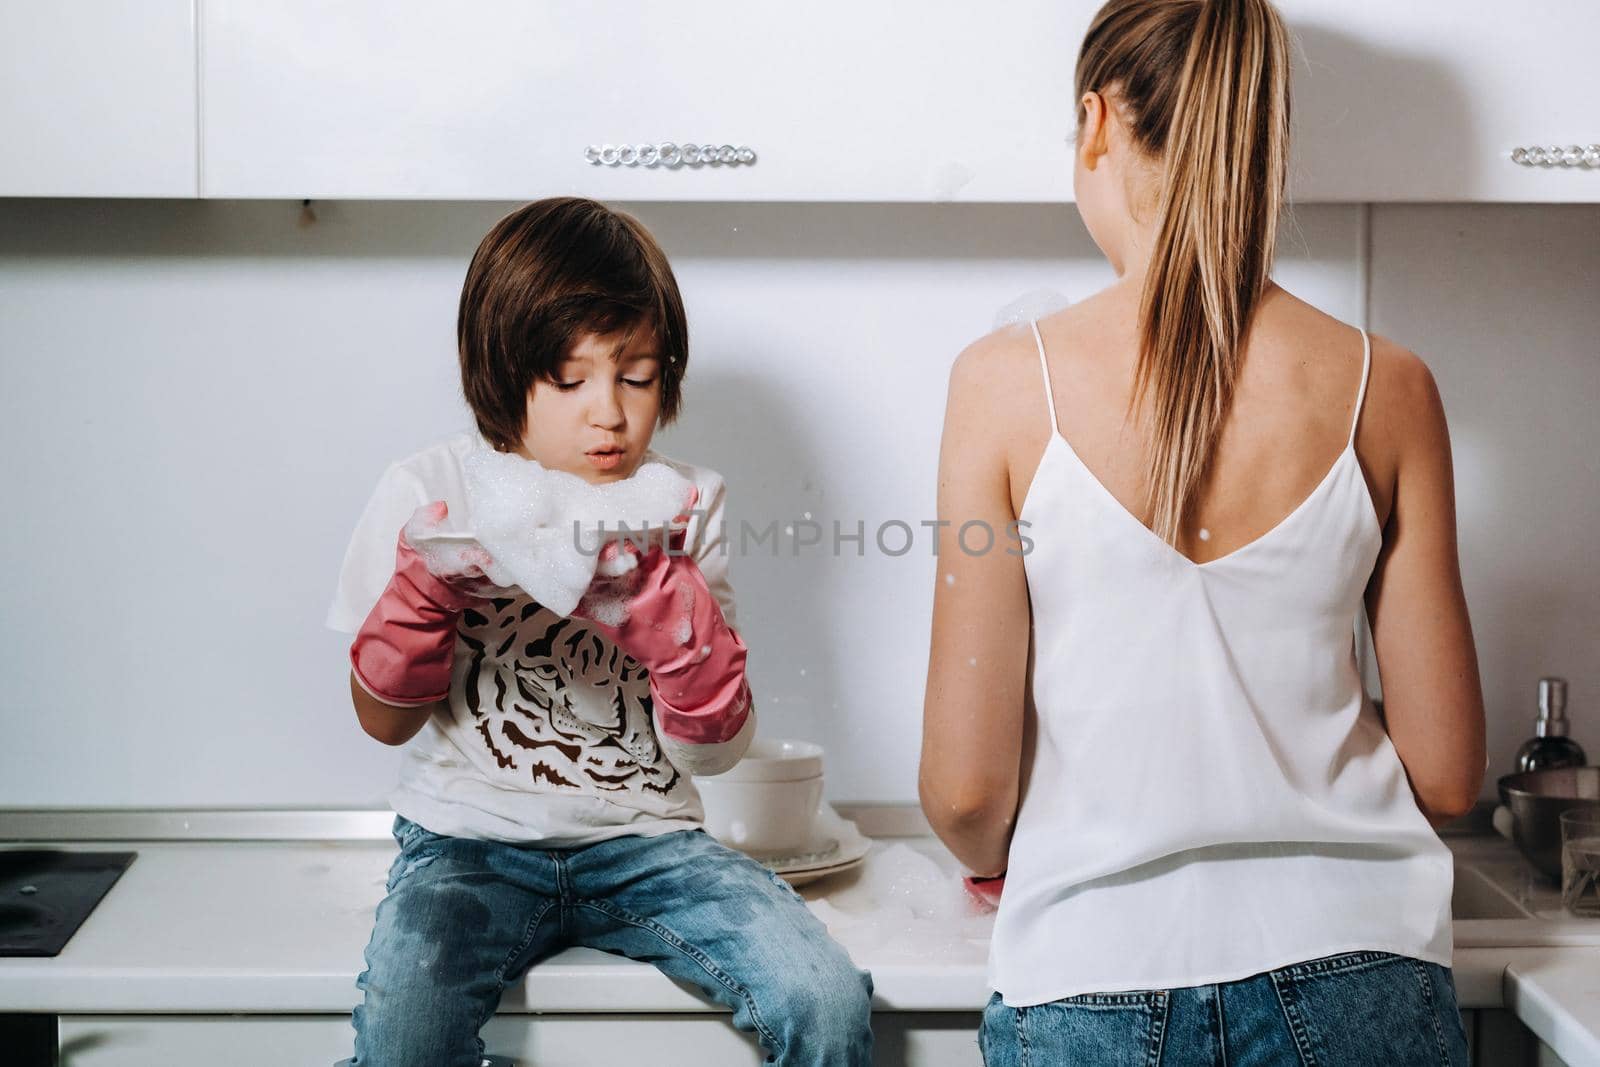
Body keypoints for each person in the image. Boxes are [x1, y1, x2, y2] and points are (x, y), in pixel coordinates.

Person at [918, 1, 1484, 1062]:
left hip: (1088, 976)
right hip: (1361, 971)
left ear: (1095, 123)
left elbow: (964, 791)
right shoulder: (1387, 386)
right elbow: (1449, 775)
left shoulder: (1001, 386)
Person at [326, 197, 872, 1066]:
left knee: (828, 1000)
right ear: (502, 376)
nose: (609, 414)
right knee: (401, 1041)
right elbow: (382, 719)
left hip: (649, 840)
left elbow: (714, 755)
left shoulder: (686, 503)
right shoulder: (432, 493)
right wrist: (421, 604)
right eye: (569, 379)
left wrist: (683, 643)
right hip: (468, 846)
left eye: (639, 375)